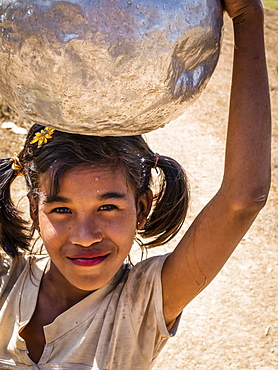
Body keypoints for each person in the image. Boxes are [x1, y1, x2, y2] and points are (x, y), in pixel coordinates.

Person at [0, 0, 271, 368]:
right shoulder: (8, 280)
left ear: (142, 207)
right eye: (61, 209)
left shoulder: (139, 305)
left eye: (107, 207)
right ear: (34, 210)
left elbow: (243, 199)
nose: (84, 235)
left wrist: (247, 19)